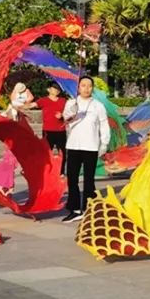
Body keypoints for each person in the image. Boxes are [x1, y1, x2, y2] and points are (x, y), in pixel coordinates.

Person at [61, 75, 110, 222]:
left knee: (89, 180)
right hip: (74, 145)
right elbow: (66, 119)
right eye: (83, 85)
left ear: (92, 88)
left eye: (89, 86)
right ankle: (75, 209)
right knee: (72, 179)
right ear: (78, 87)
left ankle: (89, 208)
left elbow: (104, 124)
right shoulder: (71, 103)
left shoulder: (98, 106)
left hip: (91, 146)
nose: (86, 88)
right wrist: (72, 111)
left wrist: (104, 143)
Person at [38, 82, 69, 174]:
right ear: (49, 89)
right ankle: (46, 171)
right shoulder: (43, 100)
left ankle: (61, 172)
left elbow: (70, 113)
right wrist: (20, 106)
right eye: (54, 88)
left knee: (62, 153)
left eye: (58, 89)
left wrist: (62, 115)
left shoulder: (63, 101)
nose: (56, 90)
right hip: (48, 131)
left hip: (61, 131)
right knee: (47, 153)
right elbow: (33, 105)